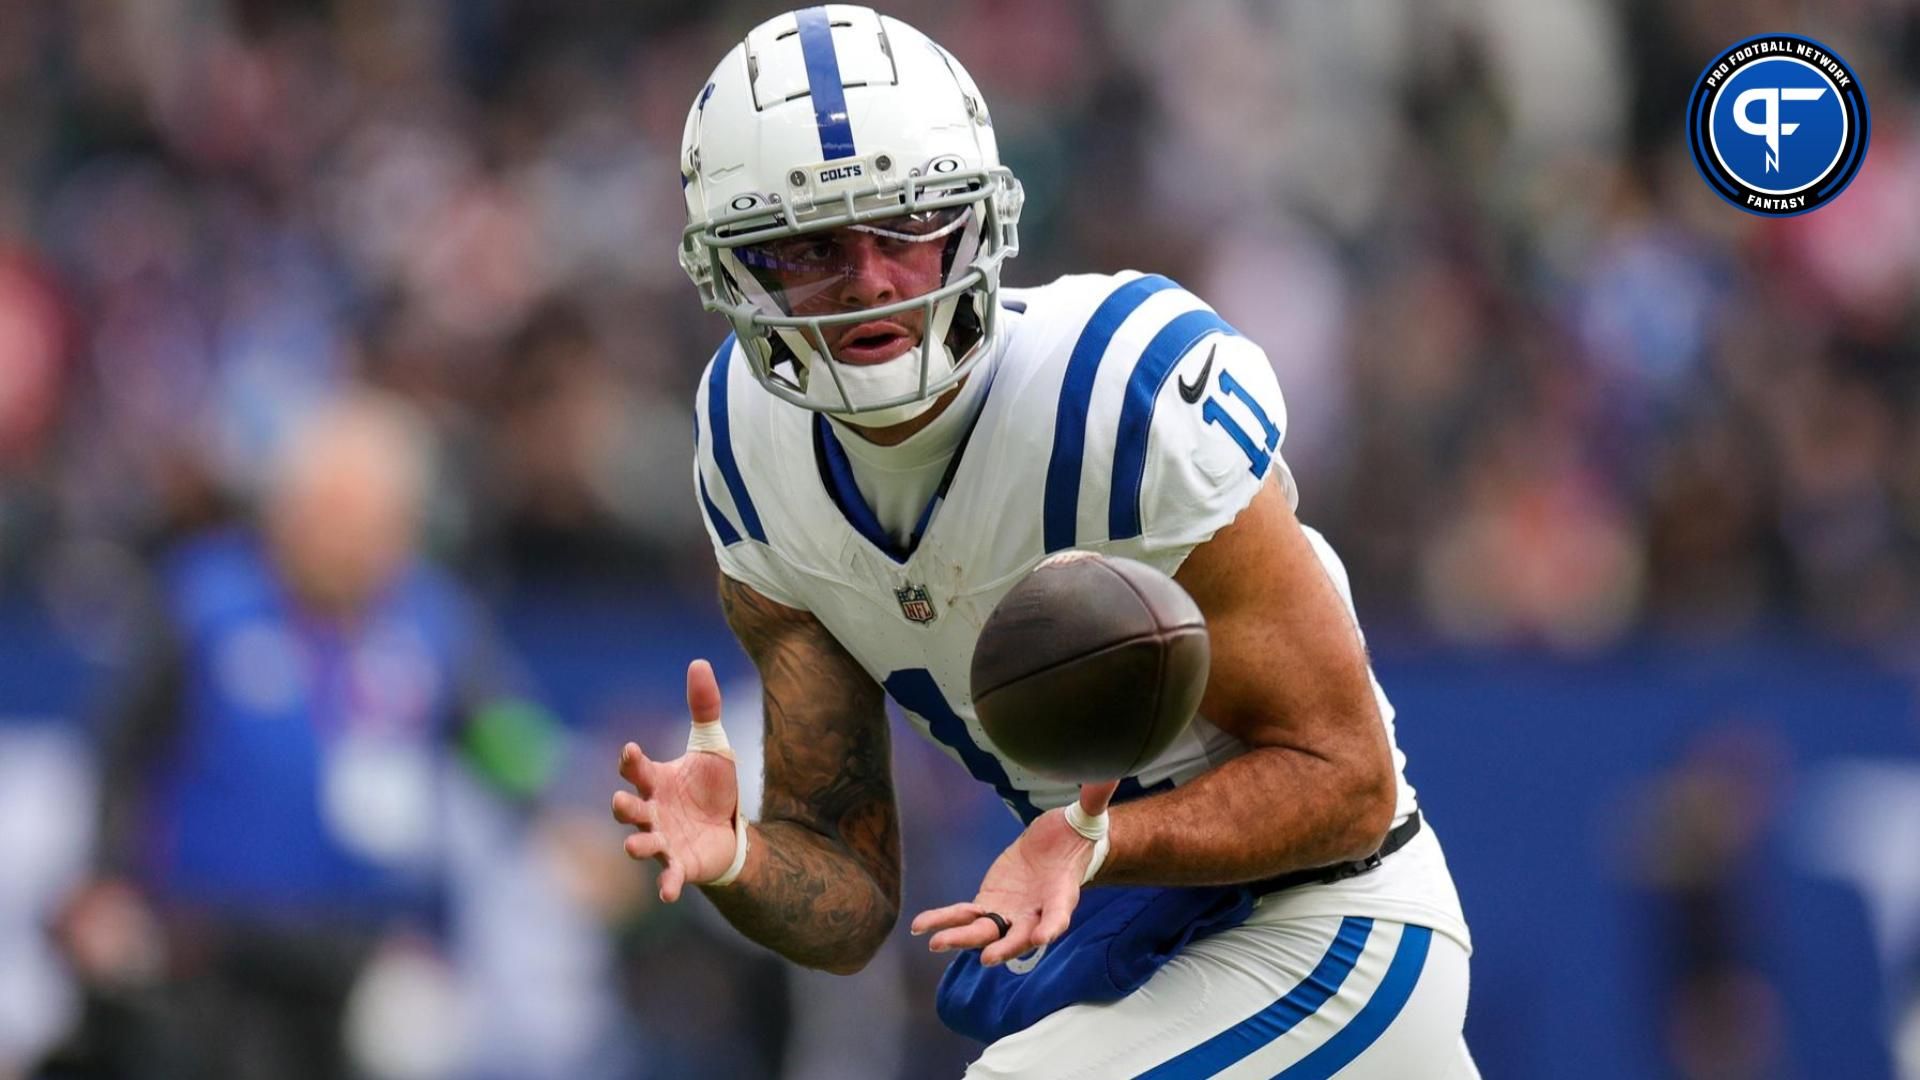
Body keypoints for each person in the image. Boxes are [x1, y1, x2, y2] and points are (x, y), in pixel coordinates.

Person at [614, 6, 1477, 1076]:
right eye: (809, 247)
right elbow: (848, 901)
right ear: (735, 270)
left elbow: (1348, 782)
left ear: (976, 219)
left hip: (1334, 923)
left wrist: (1105, 839)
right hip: (1141, 948)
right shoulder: (748, 451)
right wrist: (740, 859)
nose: (874, 280)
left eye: (908, 221)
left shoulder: (1116, 394)